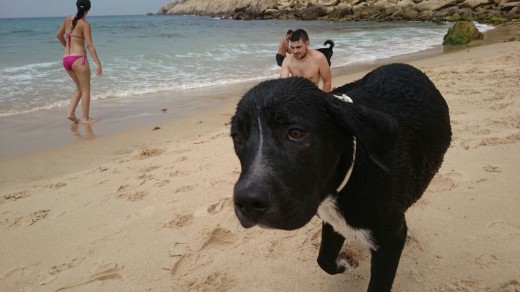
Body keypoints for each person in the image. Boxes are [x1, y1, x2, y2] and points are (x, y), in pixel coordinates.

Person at [56, 0, 102, 124]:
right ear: (88, 10)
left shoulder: (68, 19)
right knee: (86, 89)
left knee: (79, 88)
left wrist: (67, 48)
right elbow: (90, 46)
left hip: (66, 60)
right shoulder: (85, 25)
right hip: (79, 60)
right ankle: (86, 118)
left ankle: (71, 113)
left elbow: (58, 35)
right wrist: (98, 63)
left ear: (77, 7)